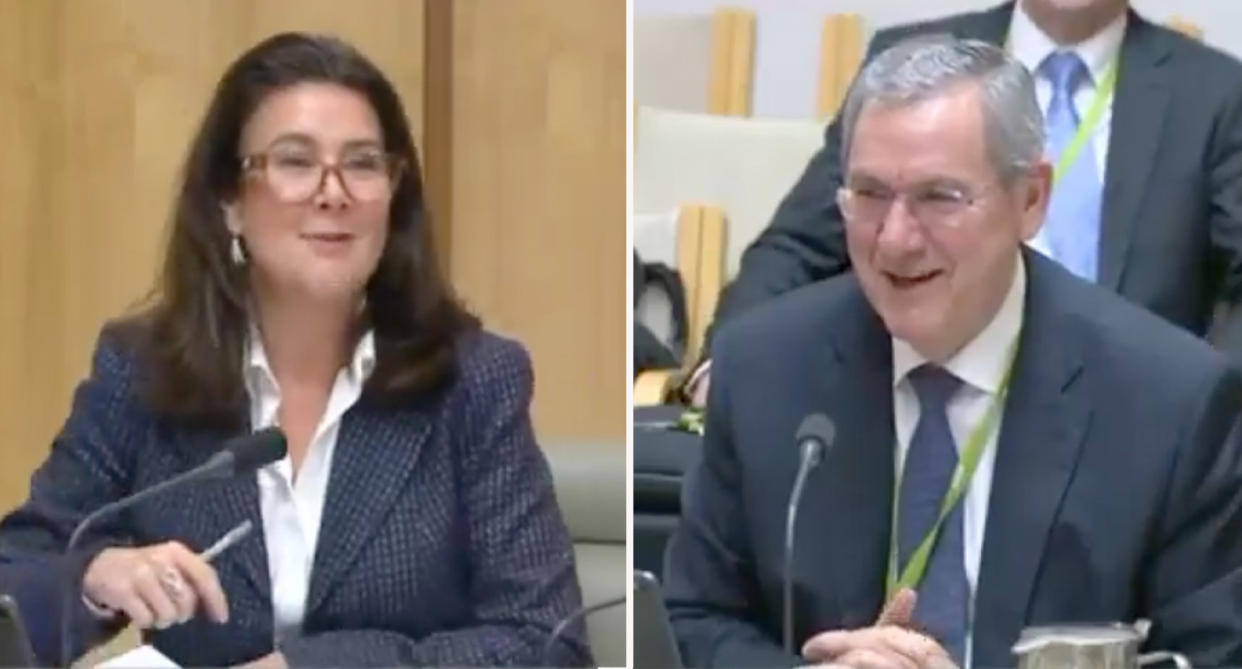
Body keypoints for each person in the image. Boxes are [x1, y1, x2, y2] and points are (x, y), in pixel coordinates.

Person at [0, 32, 590, 668]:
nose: (333, 191)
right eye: (295, 161)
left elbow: (545, 644)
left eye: (363, 163)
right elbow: (15, 581)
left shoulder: (472, 382)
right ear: (230, 201)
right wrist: (93, 577)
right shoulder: (143, 371)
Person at [663, 37, 1242, 669]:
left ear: (1031, 200)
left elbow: (1214, 655)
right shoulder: (764, 371)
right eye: (871, 194)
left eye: (940, 197)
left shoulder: (1171, 403)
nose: (897, 239)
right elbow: (694, 618)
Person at [682, 0, 1242, 406]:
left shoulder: (1215, 93)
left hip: (1125, 413)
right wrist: (727, 369)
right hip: (920, 395)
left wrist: (1201, 409)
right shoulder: (910, 61)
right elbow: (804, 241)